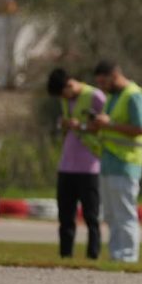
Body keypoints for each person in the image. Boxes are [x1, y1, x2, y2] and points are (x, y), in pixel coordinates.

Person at [92, 60, 142, 262]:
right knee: (110, 214)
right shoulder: (113, 96)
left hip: (126, 163)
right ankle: (116, 254)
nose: (102, 87)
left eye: (103, 82)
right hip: (109, 162)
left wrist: (109, 124)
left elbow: (140, 128)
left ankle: (128, 256)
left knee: (124, 213)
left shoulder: (134, 96)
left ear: (115, 76)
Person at [47, 68, 106, 259]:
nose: (63, 98)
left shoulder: (96, 96)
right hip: (66, 165)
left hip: (89, 166)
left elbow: (105, 125)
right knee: (65, 216)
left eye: (63, 93)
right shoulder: (66, 100)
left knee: (91, 216)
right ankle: (65, 255)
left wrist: (80, 126)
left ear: (69, 84)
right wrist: (63, 123)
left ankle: (93, 255)